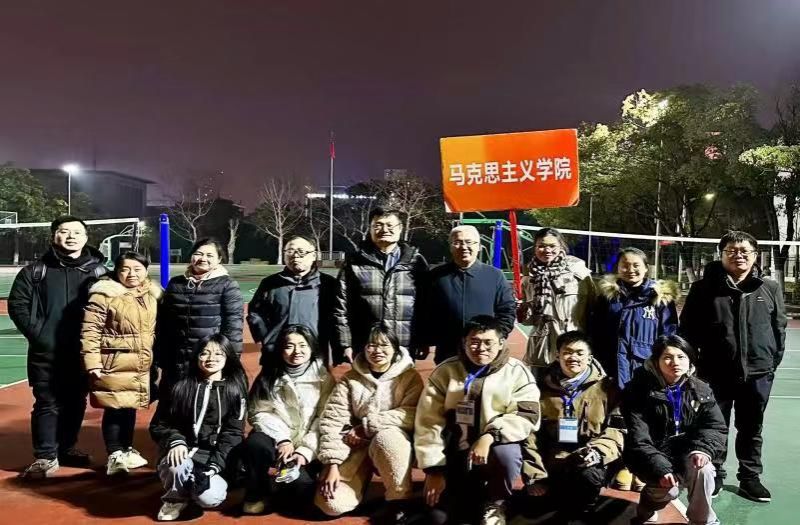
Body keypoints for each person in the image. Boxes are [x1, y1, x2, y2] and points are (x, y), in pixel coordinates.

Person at [680, 230, 786, 502]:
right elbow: (687, 332)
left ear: (755, 255)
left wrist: (770, 362)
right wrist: (694, 368)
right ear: (722, 255)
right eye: (732, 251)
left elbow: (779, 328)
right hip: (715, 374)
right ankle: (714, 475)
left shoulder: (770, 288)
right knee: (716, 426)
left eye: (744, 251)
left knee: (752, 428)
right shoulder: (703, 289)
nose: (739, 255)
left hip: (759, 374)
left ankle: (750, 478)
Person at [415, 315, 540, 525]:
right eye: (474, 341)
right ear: (464, 343)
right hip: (455, 451)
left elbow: (527, 415)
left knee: (506, 453)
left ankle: (496, 502)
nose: (481, 348)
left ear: (501, 343)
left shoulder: (517, 372)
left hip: (493, 451)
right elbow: (428, 423)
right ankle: (461, 488)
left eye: (488, 342)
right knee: (438, 519)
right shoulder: (445, 371)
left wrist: (490, 436)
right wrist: (434, 470)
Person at [8, 215, 108, 479]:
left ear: (86, 238)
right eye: (64, 231)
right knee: (47, 403)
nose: (71, 236)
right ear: (54, 236)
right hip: (46, 352)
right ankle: (45, 456)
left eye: (77, 232)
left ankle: (66, 448)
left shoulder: (99, 273)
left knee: (76, 402)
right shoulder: (35, 271)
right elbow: (18, 305)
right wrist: (39, 335)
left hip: (83, 352)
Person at [315, 324, 423, 524]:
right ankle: (360, 484)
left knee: (387, 437)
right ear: (363, 349)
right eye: (371, 345)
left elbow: (412, 413)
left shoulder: (410, 377)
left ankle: (399, 500)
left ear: (395, 349)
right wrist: (332, 463)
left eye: (385, 345)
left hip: (394, 444)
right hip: (356, 446)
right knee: (331, 504)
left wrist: (367, 427)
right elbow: (333, 419)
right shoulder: (350, 379)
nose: (377, 350)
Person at [589, 247, 678, 491]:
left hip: (644, 371)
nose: (630, 270)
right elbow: (595, 331)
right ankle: (620, 464)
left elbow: (669, 335)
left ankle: (640, 467)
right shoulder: (607, 296)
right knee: (615, 419)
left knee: (643, 421)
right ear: (618, 268)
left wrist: (662, 368)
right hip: (611, 369)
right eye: (625, 265)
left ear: (646, 267)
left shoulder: (660, 298)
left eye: (636, 265)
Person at [622, 335, 726, 525]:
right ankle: (646, 507)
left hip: (687, 452)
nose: (675, 362)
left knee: (704, 470)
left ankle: (703, 521)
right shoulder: (637, 391)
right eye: (668, 357)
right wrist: (660, 466)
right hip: (651, 455)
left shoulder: (701, 390)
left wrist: (702, 449)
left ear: (690, 360)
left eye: (681, 357)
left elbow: (714, 426)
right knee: (669, 490)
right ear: (656, 361)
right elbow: (638, 437)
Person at [522, 330, 624, 520]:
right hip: (553, 457)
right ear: (557, 356)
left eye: (579, 353)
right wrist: (534, 474)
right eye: (567, 352)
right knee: (530, 509)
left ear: (590, 358)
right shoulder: (539, 387)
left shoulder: (608, 388)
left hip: (590, 457)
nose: (573, 357)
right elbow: (530, 433)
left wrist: (598, 451)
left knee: (588, 480)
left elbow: (617, 430)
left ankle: (585, 505)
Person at [149, 334, 248, 521]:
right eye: (205, 353)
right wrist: (176, 441)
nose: (211, 359)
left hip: (211, 459)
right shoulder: (180, 386)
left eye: (218, 354)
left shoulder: (234, 391)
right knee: (177, 465)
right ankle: (175, 498)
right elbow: (160, 424)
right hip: (183, 452)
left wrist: (215, 466)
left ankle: (191, 488)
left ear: (228, 357)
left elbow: (233, 434)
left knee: (209, 498)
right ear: (196, 356)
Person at [81, 252, 161, 475]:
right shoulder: (104, 294)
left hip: (141, 362)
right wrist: (92, 362)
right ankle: (115, 453)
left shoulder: (151, 293)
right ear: (117, 272)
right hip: (114, 361)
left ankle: (126, 448)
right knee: (114, 407)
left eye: (137, 269)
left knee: (129, 406)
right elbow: (90, 330)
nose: (131, 274)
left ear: (146, 270)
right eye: (125, 269)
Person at [242, 325, 335, 516]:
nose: (296, 351)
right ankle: (257, 493)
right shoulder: (269, 374)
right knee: (255, 443)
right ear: (281, 349)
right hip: (279, 441)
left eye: (302, 345)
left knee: (300, 494)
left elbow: (325, 419)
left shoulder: (324, 378)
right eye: (289, 346)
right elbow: (259, 412)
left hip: (308, 447)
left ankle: (289, 480)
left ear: (312, 347)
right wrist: (282, 439)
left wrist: (304, 451)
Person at [333, 207, 428, 363]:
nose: (384, 230)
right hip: (367, 345)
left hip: (403, 344)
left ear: (400, 228)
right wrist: (345, 344)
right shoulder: (354, 262)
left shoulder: (415, 262)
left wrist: (423, 339)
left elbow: (425, 305)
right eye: (378, 225)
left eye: (390, 225)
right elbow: (340, 306)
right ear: (370, 229)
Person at [155, 238, 243, 390]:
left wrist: (230, 357)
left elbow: (233, 325)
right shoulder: (176, 283)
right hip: (176, 360)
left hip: (207, 359)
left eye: (210, 255)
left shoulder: (227, 285)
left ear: (219, 259)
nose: (203, 258)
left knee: (202, 400)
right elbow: (164, 322)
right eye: (199, 254)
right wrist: (161, 355)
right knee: (171, 400)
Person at [424, 226, 516, 364]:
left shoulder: (495, 276)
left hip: (485, 351)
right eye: (458, 242)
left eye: (469, 242)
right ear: (450, 247)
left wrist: (495, 337)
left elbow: (507, 310)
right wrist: (425, 339)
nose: (464, 247)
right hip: (448, 350)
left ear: (479, 246)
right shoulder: (436, 276)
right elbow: (424, 310)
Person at [247, 235, 339, 366]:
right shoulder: (270, 283)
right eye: (290, 251)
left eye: (301, 252)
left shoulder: (328, 284)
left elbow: (338, 318)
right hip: (276, 354)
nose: (295, 256)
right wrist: (267, 338)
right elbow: (255, 314)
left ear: (313, 255)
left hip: (315, 355)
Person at [517, 228, 595, 373]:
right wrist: (522, 311)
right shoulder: (529, 277)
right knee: (541, 386)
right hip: (543, 348)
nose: (547, 250)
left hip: (573, 345)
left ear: (561, 246)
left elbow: (593, 306)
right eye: (541, 246)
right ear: (535, 248)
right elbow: (530, 321)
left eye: (552, 246)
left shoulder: (578, 272)